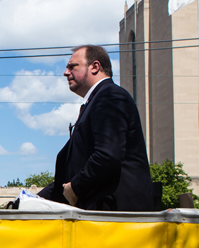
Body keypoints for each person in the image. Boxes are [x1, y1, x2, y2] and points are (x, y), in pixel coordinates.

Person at [39, 45, 153, 211]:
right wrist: (30, 201)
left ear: (95, 67)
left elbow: (108, 155)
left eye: (72, 66)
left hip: (115, 216)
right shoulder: (94, 102)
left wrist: (76, 187)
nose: (66, 73)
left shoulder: (110, 96)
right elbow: (70, 176)